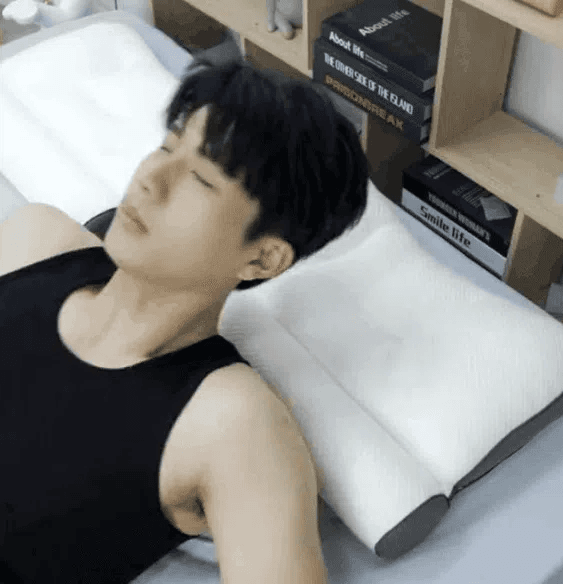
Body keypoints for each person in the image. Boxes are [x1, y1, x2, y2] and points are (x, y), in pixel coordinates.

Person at [0, 56, 368, 583]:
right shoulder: (36, 239)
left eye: (200, 179)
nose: (150, 179)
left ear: (262, 258)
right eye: (167, 147)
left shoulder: (230, 422)